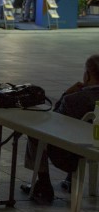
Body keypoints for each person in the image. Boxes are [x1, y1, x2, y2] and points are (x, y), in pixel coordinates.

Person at [21, 55, 99, 203]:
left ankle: (44, 184)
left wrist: (65, 94)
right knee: (81, 130)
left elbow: (54, 120)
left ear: (87, 75)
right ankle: (71, 179)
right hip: (95, 144)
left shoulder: (74, 99)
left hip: (71, 152)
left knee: (35, 134)